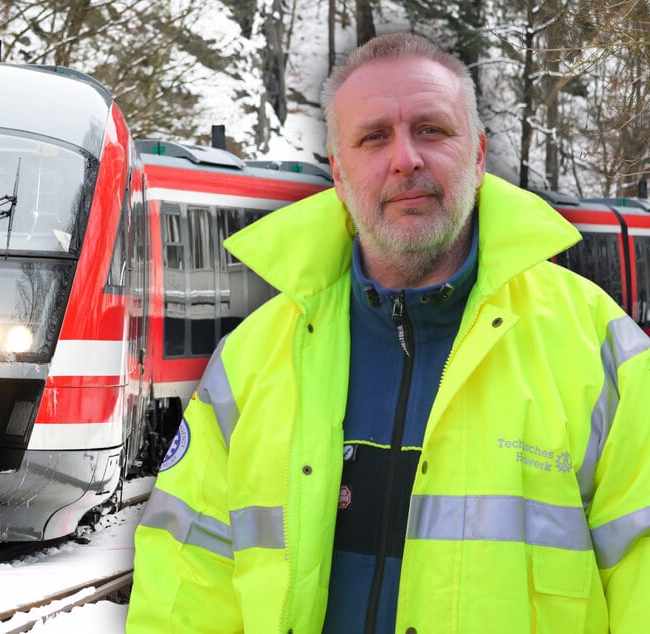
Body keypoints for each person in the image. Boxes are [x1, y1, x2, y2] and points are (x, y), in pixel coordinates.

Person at [126, 32, 650, 633]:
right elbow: (186, 593)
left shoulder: (604, 355)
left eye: (432, 129)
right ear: (340, 176)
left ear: (478, 157)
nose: (405, 159)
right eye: (373, 137)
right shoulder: (248, 364)